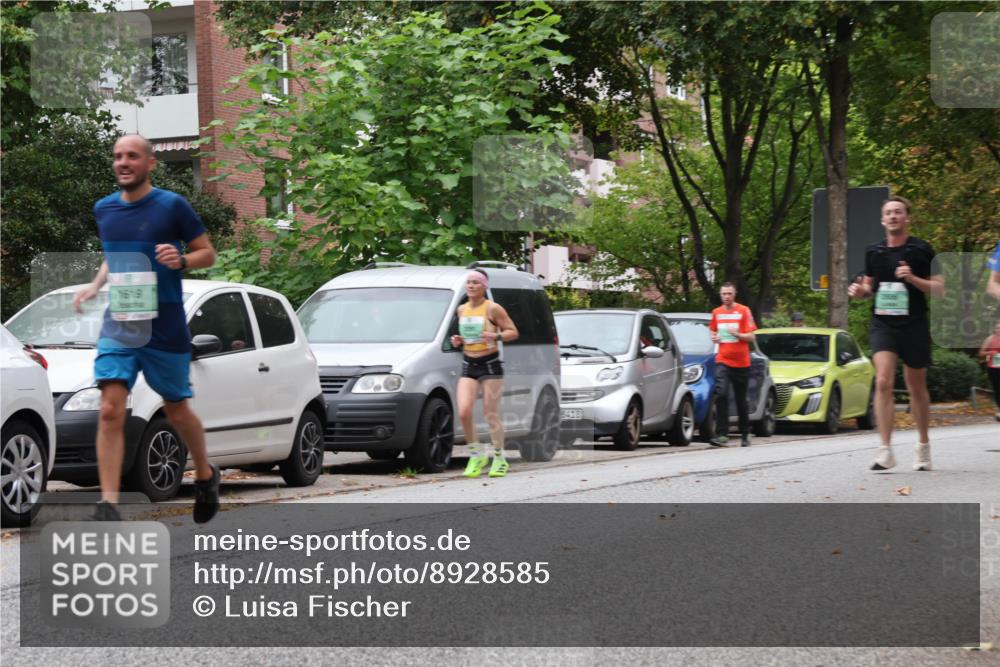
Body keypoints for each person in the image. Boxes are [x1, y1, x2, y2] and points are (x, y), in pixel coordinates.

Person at [74, 134, 220, 522]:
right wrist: (95, 284)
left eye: (132, 156)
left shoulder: (172, 206)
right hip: (121, 324)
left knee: (176, 409)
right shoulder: (104, 209)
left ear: (150, 163)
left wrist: (182, 260)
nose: (123, 162)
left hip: (165, 324)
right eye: (118, 156)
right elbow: (115, 256)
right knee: (109, 408)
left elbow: (208, 253)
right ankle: (108, 502)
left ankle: (205, 476)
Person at [848, 196, 944, 471]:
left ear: (907, 218)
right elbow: (868, 288)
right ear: (882, 219)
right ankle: (885, 450)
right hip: (884, 324)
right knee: (883, 382)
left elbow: (939, 289)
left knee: (916, 386)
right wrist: (859, 292)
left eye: (898, 212)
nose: (892, 216)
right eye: (888, 212)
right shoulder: (873, 252)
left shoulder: (922, 249)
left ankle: (923, 446)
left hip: (913, 323)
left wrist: (912, 278)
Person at [450, 270, 519, 478]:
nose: (471, 286)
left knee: (491, 413)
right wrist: (458, 341)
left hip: (490, 364)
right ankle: (476, 455)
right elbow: (463, 336)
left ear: (484, 286)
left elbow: (513, 332)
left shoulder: (493, 308)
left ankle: (499, 458)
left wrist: (495, 335)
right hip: (469, 363)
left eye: (475, 283)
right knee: (463, 411)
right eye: (468, 283)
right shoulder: (461, 310)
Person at [708, 282, 757, 447]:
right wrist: (713, 337)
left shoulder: (744, 311)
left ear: (734, 294)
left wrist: (738, 334)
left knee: (740, 399)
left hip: (742, 362)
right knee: (721, 394)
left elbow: (752, 337)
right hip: (723, 360)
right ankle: (722, 434)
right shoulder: (717, 312)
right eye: (724, 294)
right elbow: (712, 330)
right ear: (720, 295)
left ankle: (745, 433)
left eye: (729, 293)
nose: (726, 297)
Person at [978, 320, 1000, 422]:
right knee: (997, 389)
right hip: (993, 368)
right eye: (997, 328)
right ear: (994, 329)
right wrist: (990, 352)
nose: (999, 330)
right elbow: (981, 353)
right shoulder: (990, 339)